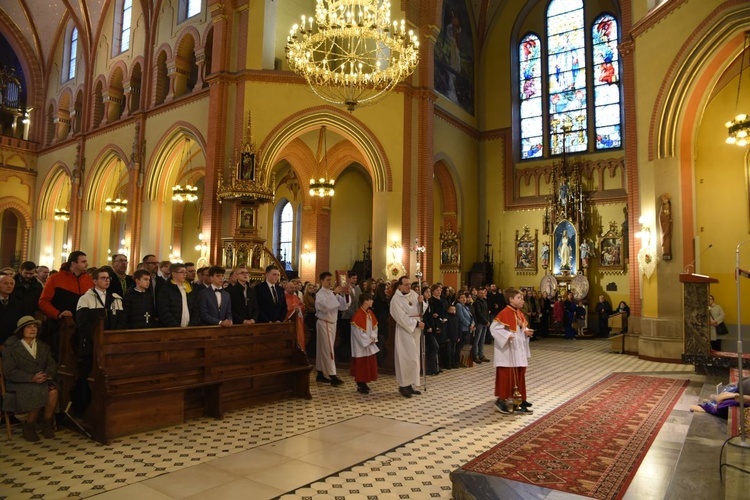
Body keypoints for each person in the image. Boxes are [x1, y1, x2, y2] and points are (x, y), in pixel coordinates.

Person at [2, 316, 58, 442]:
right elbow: (9, 372)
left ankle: (46, 422)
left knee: (53, 389)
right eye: (29, 327)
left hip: (41, 380)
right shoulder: (11, 349)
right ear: (21, 330)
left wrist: (46, 375)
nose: (33, 329)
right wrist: (31, 378)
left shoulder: (43, 347)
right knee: (37, 389)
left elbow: (51, 364)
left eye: (35, 327)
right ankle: (29, 426)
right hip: (19, 382)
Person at [38, 251, 94, 358]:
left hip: (83, 326)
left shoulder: (88, 279)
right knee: (61, 356)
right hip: (60, 326)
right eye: (83, 261)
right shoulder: (55, 278)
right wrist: (58, 314)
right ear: (73, 264)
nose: (87, 264)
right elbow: (43, 302)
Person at [490, 288, 534, 415]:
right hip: (508, 352)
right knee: (506, 376)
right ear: (511, 299)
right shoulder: (505, 313)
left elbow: (521, 327)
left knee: (519, 374)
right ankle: (501, 401)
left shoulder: (518, 313)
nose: (522, 300)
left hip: (518, 350)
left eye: (522, 298)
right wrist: (506, 335)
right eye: (519, 298)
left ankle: (519, 400)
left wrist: (525, 331)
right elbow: (494, 329)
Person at [389, 276, 425, 398]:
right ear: (399, 286)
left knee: (414, 358)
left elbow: (422, 310)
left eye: (409, 284)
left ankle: (410, 385)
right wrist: (415, 324)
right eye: (406, 284)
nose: (409, 286)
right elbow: (400, 317)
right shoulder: (396, 299)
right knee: (405, 358)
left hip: (416, 330)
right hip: (405, 331)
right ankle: (403, 385)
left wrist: (422, 301)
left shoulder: (414, 294)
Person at [315, 272, 348, 386]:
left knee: (322, 349)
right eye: (327, 280)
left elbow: (343, 306)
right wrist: (335, 293)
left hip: (332, 323)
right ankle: (332, 375)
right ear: (322, 281)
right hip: (325, 322)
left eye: (331, 280)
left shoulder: (331, 292)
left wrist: (344, 294)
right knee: (328, 349)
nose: (330, 282)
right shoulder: (320, 294)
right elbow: (325, 306)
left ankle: (320, 373)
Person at [350, 293, 379, 394]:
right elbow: (357, 333)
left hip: (369, 342)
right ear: (365, 301)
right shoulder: (358, 315)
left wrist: (373, 337)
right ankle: (360, 384)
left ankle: (365, 383)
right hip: (361, 345)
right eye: (370, 299)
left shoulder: (370, 313)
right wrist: (367, 340)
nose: (372, 301)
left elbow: (375, 326)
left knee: (368, 363)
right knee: (361, 364)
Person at [157, 263, 199, 327]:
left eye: (185, 272)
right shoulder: (166, 289)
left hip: (189, 328)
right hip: (172, 328)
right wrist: (176, 327)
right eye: (182, 272)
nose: (185, 274)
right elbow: (164, 311)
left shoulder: (188, 288)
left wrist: (192, 325)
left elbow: (195, 308)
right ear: (174, 274)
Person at [1, 274, 24, 344]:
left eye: (12, 284)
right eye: (5, 283)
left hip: (12, 342)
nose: (9, 286)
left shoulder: (19, 303)